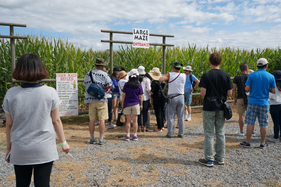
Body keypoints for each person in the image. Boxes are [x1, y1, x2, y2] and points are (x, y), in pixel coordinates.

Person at [3, 53, 70, 186]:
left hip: (20, 148)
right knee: (43, 183)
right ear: (40, 68)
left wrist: (9, 148)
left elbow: (9, 124)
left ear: (19, 69)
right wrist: (63, 143)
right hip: (44, 148)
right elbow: (56, 121)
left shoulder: (11, 94)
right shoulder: (50, 92)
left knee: (21, 184)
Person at [198, 52, 233, 167]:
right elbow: (229, 93)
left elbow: (203, 93)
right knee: (221, 133)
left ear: (209, 62)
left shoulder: (206, 75)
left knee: (209, 133)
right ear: (220, 62)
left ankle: (209, 159)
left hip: (208, 107)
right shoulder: (226, 75)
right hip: (221, 107)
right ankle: (220, 157)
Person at [240, 58, 276, 149]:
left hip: (252, 102)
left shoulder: (252, 76)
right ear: (266, 66)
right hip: (264, 102)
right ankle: (263, 143)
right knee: (263, 123)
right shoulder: (271, 76)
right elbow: (274, 91)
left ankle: (247, 142)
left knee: (250, 122)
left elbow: (246, 89)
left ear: (257, 66)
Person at [83, 58, 112, 145]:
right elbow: (109, 86)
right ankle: (101, 139)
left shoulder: (89, 73)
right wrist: (103, 94)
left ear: (95, 65)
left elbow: (86, 86)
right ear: (103, 66)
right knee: (102, 119)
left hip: (90, 100)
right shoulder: (104, 75)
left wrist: (87, 98)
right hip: (101, 99)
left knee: (92, 120)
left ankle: (92, 138)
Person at [159, 62, 186, 138]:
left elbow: (160, 79)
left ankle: (170, 133)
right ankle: (181, 133)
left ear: (173, 67)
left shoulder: (170, 74)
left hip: (172, 97)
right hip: (181, 97)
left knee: (170, 116)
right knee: (181, 116)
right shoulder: (184, 75)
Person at [122, 69, 143, 141]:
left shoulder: (126, 84)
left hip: (127, 103)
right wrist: (141, 105)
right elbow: (141, 96)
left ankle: (127, 135)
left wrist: (122, 104)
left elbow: (123, 96)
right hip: (136, 104)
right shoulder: (139, 85)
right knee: (135, 121)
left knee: (128, 121)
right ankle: (135, 135)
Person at [232, 63, 249, 135]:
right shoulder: (250, 76)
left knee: (241, 115)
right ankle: (252, 131)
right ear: (247, 69)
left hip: (240, 97)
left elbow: (234, 89)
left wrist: (234, 98)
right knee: (251, 115)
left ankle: (241, 131)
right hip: (249, 97)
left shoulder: (237, 77)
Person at [268, 70, 281, 142]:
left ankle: (276, 137)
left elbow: (272, 97)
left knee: (276, 122)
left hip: (274, 105)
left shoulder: (273, 84)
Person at [137, 66, 151, 132]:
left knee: (138, 113)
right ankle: (144, 127)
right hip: (145, 98)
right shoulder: (147, 79)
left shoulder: (136, 80)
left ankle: (139, 127)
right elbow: (148, 89)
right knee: (145, 113)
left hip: (137, 98)